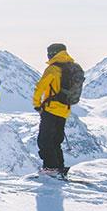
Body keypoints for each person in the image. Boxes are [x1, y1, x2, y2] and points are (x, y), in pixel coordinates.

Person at [32, 43, 84, 179]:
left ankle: (50, 168)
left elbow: (40, 87)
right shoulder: (73, 68)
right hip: (65, 109)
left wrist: (37, 105)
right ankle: (59, 167)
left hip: (51, 108)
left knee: (44, 140)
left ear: (52, 53)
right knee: (56, 140)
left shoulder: (53, 69)